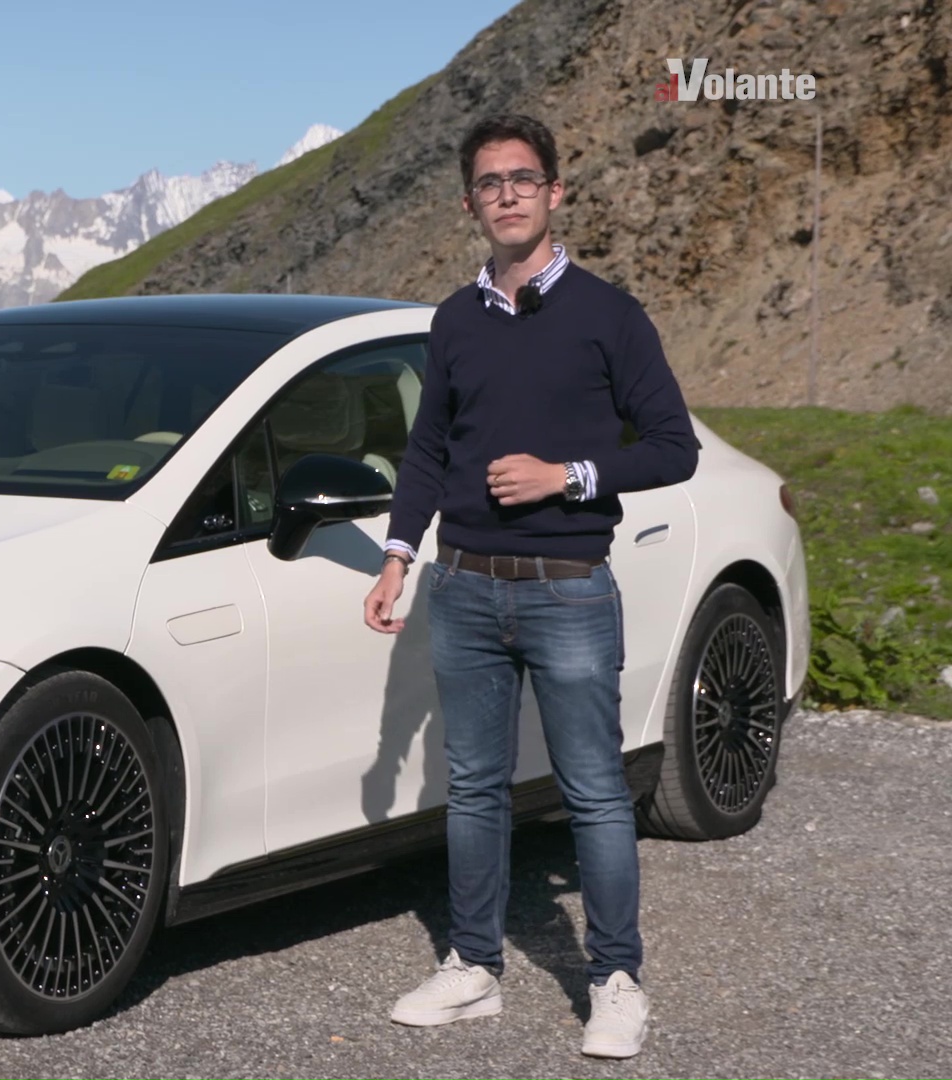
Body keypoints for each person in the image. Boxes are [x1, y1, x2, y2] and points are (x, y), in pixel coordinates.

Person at [361, 113, 698, 1060]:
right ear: (471, 203)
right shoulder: (454, 319)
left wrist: (566, 477)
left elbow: (673, 447)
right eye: (489, 182)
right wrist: (398, 556)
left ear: (555, 191)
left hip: (570, 590)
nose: (506, 194)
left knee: (594, 791)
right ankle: (474, 967)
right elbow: (429, 449)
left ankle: (617, 981)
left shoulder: (609, 315)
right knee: (474, 790)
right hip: (463, 588)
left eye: (522, 178)